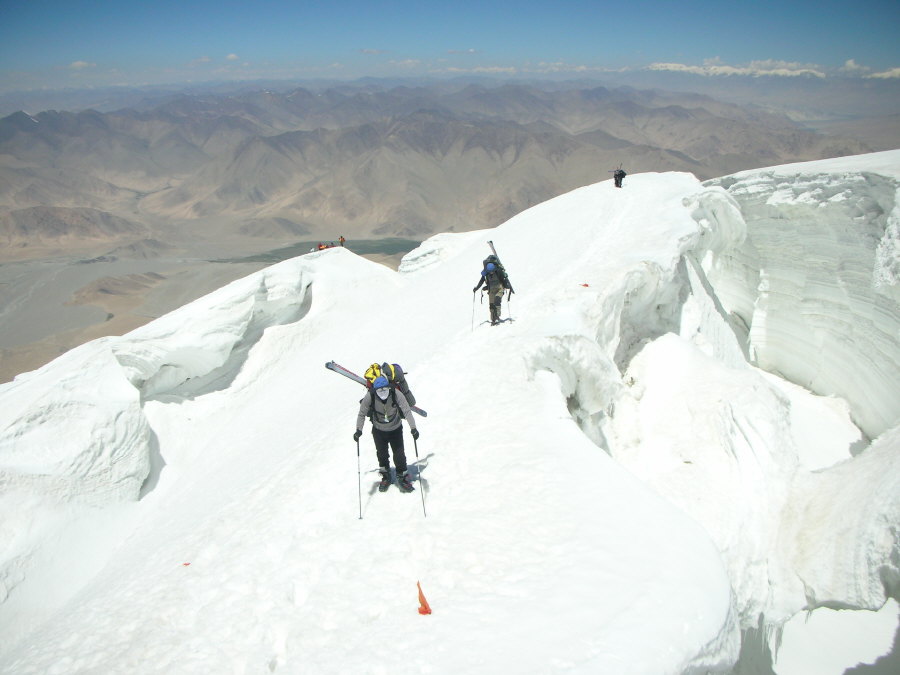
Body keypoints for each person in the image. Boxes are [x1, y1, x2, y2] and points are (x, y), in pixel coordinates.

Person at [354, 375, 419, 492]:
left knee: (399, 455)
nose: (383, 392)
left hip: (396, 429)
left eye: (385, 389)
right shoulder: (370, 396)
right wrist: (359, 430)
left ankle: (402, 476)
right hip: (379, 431)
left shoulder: (396, 394)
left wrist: (413, 428)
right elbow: (361, 413)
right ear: (375, 390)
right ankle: (386, 475)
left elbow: (406, 410)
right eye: (379, 390)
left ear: (389, 387)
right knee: (382, 454)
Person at [473, 255, 513, 325]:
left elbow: (504, 278)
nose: (491, 272)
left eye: (492, 271)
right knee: (491, 305)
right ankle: (493, 319)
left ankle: (497, 316)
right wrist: (476, 288)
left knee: (497, 300)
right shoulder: (486, 273)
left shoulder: (498, 271)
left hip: (499, 288)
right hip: (491, 289)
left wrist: (507, 285)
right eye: (490, 271)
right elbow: (481, 281)